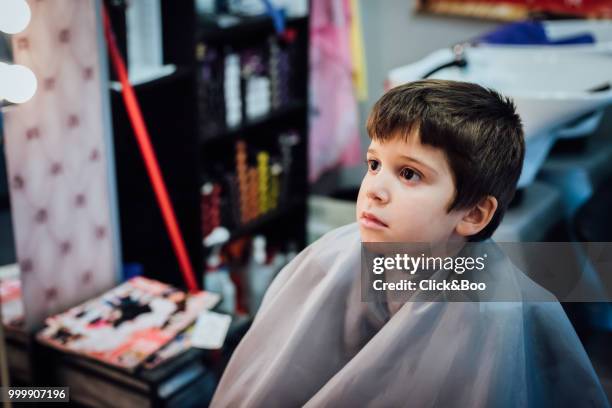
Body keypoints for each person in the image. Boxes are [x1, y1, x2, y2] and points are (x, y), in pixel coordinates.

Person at [211, 80, 610, 407]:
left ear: (473, 214)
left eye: (409, 174)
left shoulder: (490, 311)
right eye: (374, 164)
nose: (374, 190)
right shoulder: (332, 256)